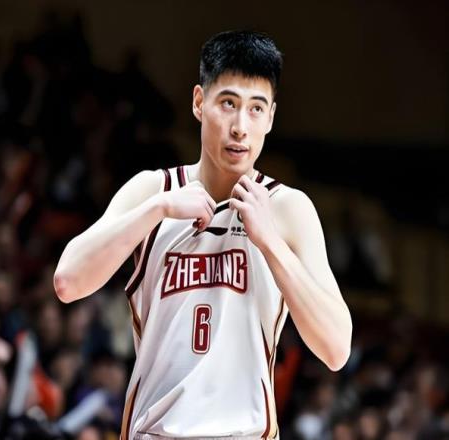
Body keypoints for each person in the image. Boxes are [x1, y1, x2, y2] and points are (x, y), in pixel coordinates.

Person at [54, 30, 352, 439]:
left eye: (255, 109)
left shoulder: (287, 208)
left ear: (270, 117)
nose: (240, 127)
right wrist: (158, 209)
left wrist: (269, 241)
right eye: (228, 104)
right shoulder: (153, 190)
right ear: (199, 102)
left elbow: (336, 349)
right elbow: (67, 282)